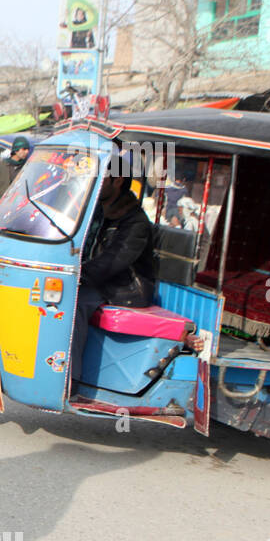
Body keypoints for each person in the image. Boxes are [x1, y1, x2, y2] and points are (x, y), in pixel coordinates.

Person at [72, 159, 158, 377]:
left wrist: (78, 274)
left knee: (75, 302)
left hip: (126, 289)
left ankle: (68, 378)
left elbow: (112, 261)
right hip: (102, 283)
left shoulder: (135, 222)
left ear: (118, 180)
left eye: (102, 178)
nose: (96, 183)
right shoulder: (99, 212)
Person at [0, 135, 30, 218]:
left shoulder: (26, 168)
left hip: (17, 212)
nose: (27, 152)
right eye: (24, 149)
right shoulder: (0, 166)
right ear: (16, 150)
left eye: (28, 149)